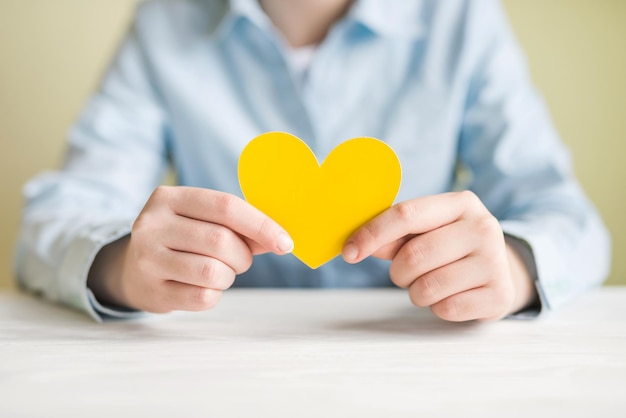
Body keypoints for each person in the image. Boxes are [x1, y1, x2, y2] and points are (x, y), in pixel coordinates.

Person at [15, 0, 611, 322]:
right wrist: (122, 268)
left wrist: (513, 266)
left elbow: (567, 216)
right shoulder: (165, 21)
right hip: (221, 380)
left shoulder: (461, 18)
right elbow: (57, 216)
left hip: (420, 370)